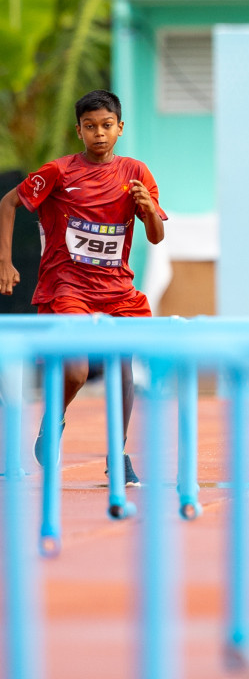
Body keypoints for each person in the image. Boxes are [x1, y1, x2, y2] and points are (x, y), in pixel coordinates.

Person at [0, 89, 167, 486]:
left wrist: (146, 211)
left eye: (107, 125)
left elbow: (157, 237)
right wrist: (4, 262)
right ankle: (53, 419)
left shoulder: (137, 174)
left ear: (120, 128)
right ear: (79, 131)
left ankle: (118, 454)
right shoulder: (58, 172)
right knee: (75, 371)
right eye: (90, 126)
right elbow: (8, 203)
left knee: (122, 363)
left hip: (116, 290)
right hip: (67, 285)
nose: (99, 133)